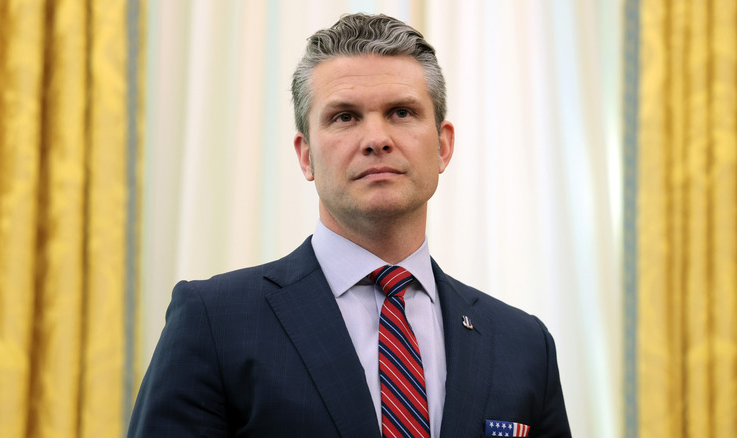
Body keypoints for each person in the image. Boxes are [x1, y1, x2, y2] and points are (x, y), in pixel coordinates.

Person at [128, 13, 571, 438]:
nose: (376, 139)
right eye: (345, 117)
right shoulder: (213, 322)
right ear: (306, 156)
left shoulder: (525, 344)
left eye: (401, 112)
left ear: (442, 146)